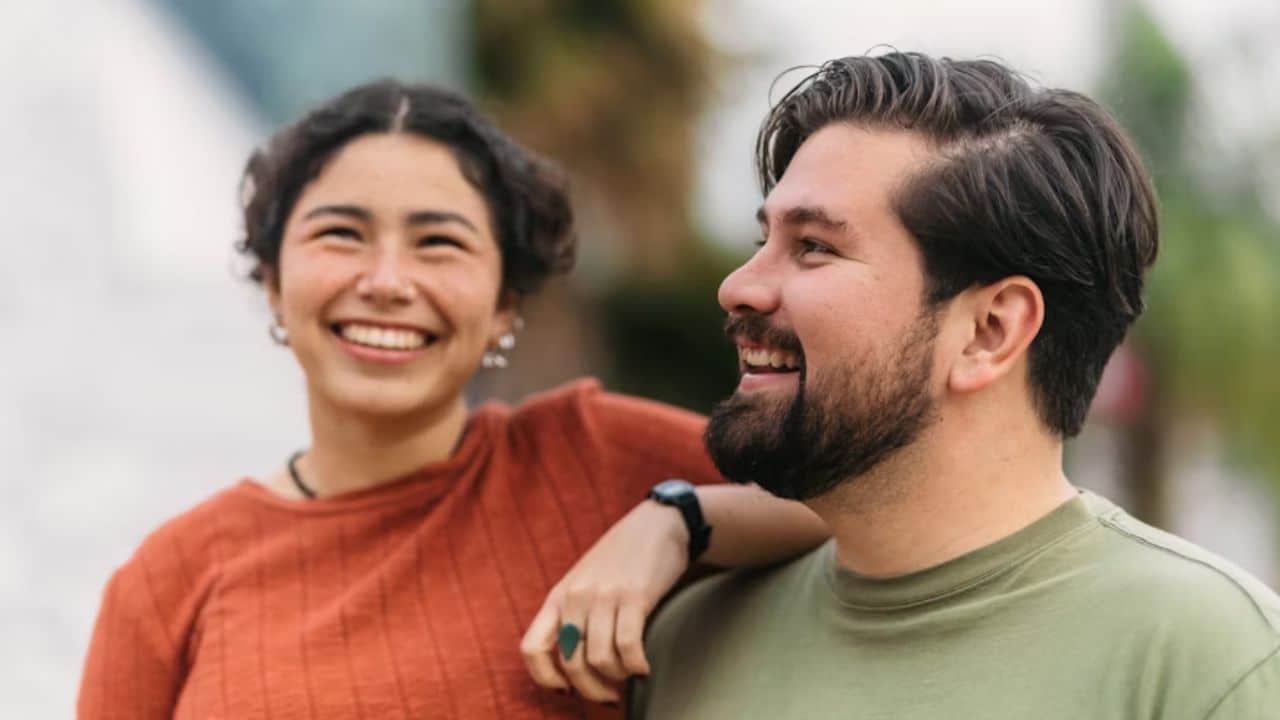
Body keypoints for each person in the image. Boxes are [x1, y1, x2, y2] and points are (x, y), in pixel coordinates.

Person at [77, 80, 828, 719]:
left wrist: (677, 522)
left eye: (439, 243)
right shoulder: (167, 582)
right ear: (273, 284)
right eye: (341, 233)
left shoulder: (593, 455)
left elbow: (850, 507)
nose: (387, 281)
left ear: (504, 305)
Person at [632, 52, 1280, 718]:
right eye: (763, 239)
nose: (736, 286)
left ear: (989, 331)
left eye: (814, 247)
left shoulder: (1215, 665)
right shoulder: (687, 643)